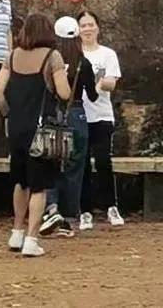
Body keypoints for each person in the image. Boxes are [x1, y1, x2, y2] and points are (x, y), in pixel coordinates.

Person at [0, 12, 73, 258]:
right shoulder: (52, 57)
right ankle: (31, 238)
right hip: (41, 130)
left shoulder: (12, 55)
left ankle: (16, 231)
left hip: (15, 128)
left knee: (20, 180)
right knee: (39, 186)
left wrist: (9, 114)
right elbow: (64, 93)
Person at [38, 16, 99, 238]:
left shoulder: (49, 60)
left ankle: (51, 209)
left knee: (50, 164)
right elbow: (92, 95)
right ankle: (69, 216)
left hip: (52, 115)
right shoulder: (84, 62)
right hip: (77, 115)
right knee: (74, 169)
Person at [77, 9, 125, 229]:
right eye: (83, 25)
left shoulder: (107, 54)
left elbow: (111, 82)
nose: (87, 29)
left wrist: (95, 82)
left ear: (98, 27)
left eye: (90, 24)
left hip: (102, 114)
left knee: (104, 161)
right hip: (79, 115)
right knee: (82, 163)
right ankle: (85, 210)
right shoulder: (73, 54)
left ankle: (111, 207)